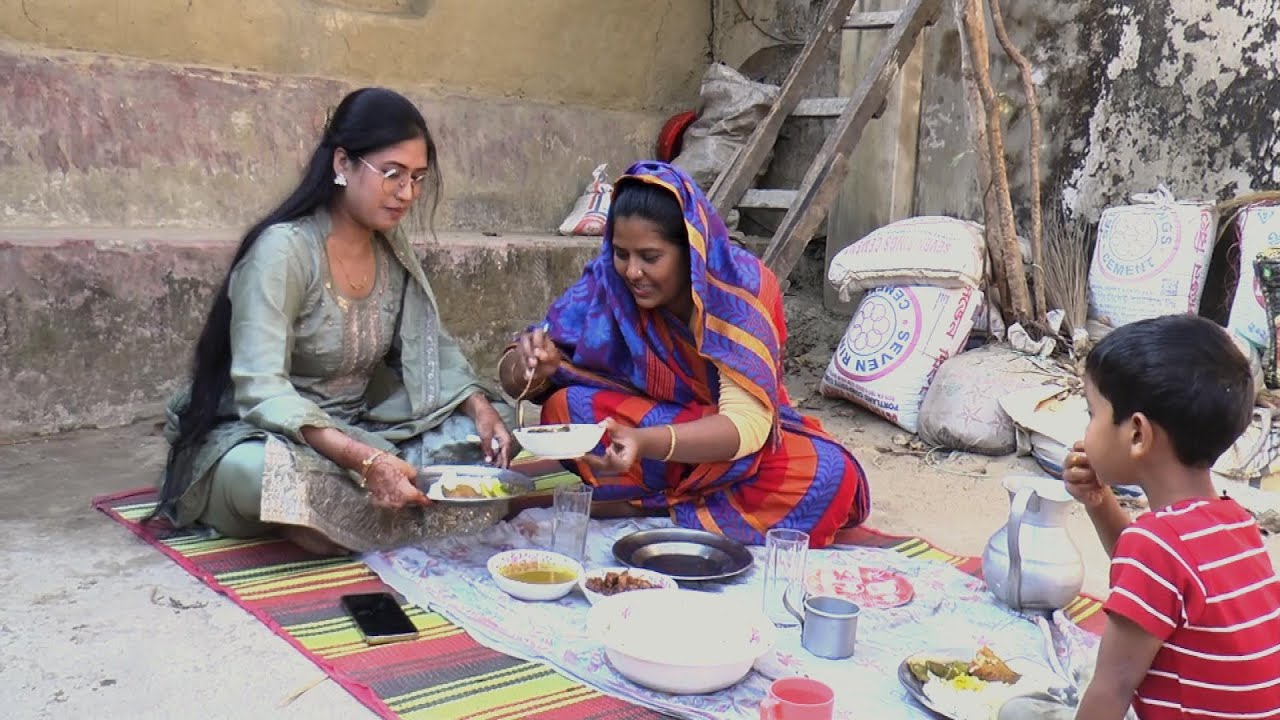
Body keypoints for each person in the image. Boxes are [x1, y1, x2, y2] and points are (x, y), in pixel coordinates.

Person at [155, 88, 514, 555]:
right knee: (256, 472)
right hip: (271, 434)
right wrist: (363, 461)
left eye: (417, 178)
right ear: (342, 164)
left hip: (366, 430)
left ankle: (335, 526)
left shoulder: (390, 249)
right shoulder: (283, 251)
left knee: (494, 429)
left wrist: (481, 411)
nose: (407, 193)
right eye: (392, 175)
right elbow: (260, 388)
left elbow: (431, 352)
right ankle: (348, 516)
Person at [501, 161, 870, 548]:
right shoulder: (607, 283)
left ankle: (646, 506)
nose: (631, 272)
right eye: (621, 253)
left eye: (650, 257)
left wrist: (645, 442)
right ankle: (688, 503)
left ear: (691, 249)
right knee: (563, 408)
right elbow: (516, 378)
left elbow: (747, 427)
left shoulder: (742, 289)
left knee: (829, 475)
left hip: (725, 446)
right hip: (651, 426)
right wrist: (532, 365)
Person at [1007, 315, 1280, 719]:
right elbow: (1153, 585)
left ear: (1137, 434)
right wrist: (1099, 502)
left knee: (1021, 711)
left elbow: (1112, 689)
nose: (1086, 430)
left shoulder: (1155, 544)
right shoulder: (1233, 520)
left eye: (1092, 412)